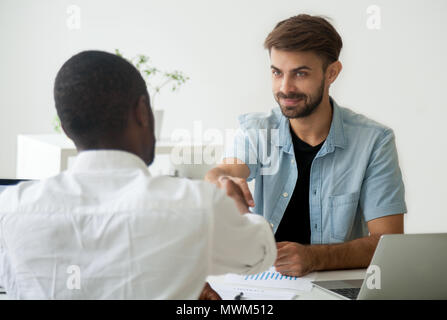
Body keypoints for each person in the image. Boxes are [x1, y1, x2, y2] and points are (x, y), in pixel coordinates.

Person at [0, 50, 276, 299]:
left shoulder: (10, 208)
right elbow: (259, 255)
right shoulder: (197, 205)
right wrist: (239, 209)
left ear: (66, 127)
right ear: (142, 111)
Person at [205, 14, 407, 277]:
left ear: (332, 72)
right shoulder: (258, 130)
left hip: (334, 287)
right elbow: (223, 171)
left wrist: (314, 258)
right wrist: (221, 180)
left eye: (300, 73)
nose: (285, 88)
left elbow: (387, 242)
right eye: (277, 73)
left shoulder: (374, 142)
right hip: (265, 285)